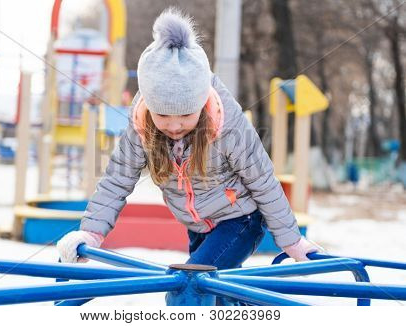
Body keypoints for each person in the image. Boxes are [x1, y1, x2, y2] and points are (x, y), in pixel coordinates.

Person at [57, 8, 321, 305]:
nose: (173, 125)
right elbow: (116, 182)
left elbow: (264, 182)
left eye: (185, 114)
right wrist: (90, 234)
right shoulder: (141, 126)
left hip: (240, 219)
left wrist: (292, 242)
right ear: (149, 105)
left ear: (201, 102)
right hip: (197, 225)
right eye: (162, 115)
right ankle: (249, 307)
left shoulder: (228, 125)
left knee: (187, 289)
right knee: (216, 292)